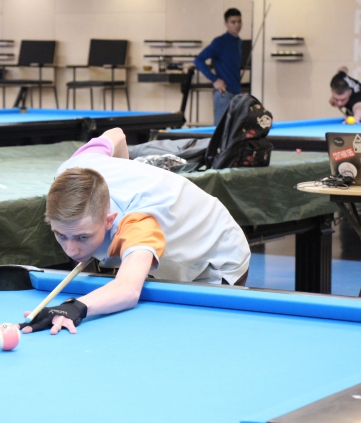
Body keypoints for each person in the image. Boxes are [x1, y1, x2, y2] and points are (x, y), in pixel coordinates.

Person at [18, 128, 251, 334]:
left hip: (216, 254)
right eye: (61, 235)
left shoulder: (137, 223)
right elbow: (117, 134)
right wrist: (126, 168)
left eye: (82, 237)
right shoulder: (72, 170)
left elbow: (128, 290)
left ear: (109, 220)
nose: (71, 250)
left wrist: (74, 307)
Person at [194, 8, 243, 126]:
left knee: (234, 130)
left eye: (239, 21)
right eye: (233, 22)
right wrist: (215, 79)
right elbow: (198, 60)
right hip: (224, 94)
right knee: (221, 131)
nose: (237, 25)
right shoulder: (220, 42)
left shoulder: (238, 42)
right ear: (226, 24)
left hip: (237, 94)